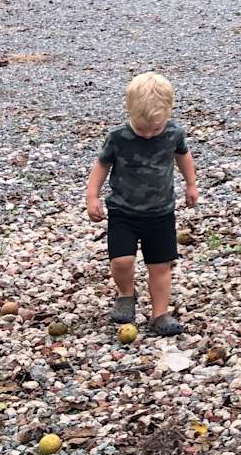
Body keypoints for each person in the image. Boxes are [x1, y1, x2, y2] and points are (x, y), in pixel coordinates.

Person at [84, 71, 198, 335]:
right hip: (123, 211)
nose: (148, 134)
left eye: (155, 128)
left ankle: (160, 313)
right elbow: (101, 164)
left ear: (168, 114)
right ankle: (126, 293)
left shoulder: (173, 134)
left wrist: (191, 184)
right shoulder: (118, 137)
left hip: (161, 213)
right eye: (141, 127)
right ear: (129, 112)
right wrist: (92, 196)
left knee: (160, 265)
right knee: (121, 261)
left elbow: (184, 156)